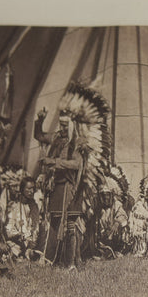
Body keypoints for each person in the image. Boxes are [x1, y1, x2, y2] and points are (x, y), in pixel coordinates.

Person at [34, 81, 111, 270]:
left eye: (64, 125)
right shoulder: (56, 139)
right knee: (54, 222)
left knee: (70, 225)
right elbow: (39, 135)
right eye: (59, 124)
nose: (60, 128)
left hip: (71, 189)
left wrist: (54, 162)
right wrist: (39, 120)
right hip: (57, 187)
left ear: (72, 125)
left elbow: (77, 164)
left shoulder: (78, 142)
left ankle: (71, 263)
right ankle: (51, 258)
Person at [0, 176, 41, 261]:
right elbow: (8, 229)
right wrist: (18, 235)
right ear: (22, 189)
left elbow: (35, 227)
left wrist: (31, 241)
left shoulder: (34, 206)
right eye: (29, 189)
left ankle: (29, 252)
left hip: (29, 241)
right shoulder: (14, 205)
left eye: (33, 189)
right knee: (12, 248)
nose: (31, 191)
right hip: (15, 240)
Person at [95, 177, 129, 257]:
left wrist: (117, 223)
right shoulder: (98, 207)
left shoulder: (116, 204)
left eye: (108, 194)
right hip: (102, 236)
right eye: (103, 195)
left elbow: (122, 216)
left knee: (123, 226)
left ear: (112, 195)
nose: (106, 197)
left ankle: (118, 249)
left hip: (115, 235)